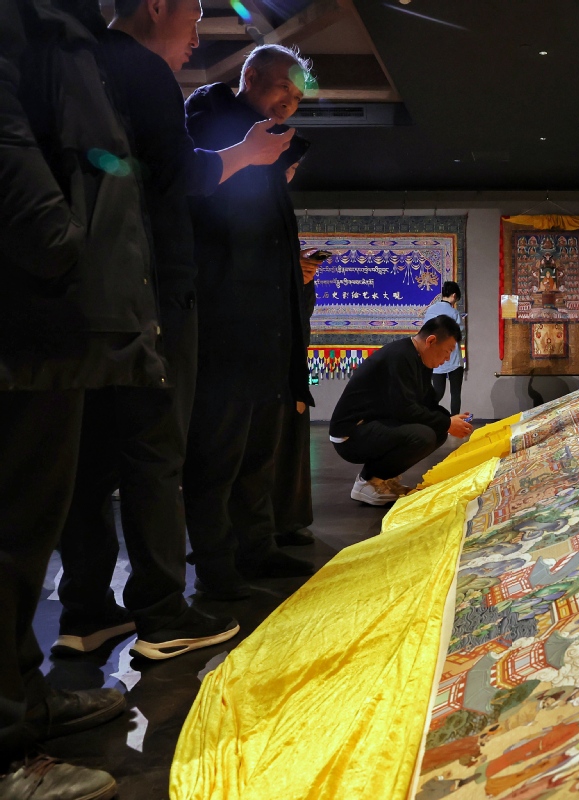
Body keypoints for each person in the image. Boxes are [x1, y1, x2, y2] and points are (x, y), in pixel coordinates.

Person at [52, 0, 298, 661]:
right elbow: (173, 174)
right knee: (155, 450)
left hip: (93, 291)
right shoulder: (144, 70)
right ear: (156, 4)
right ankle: (162, 612)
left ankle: (86, 610)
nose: (196, 34)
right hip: (155, 288)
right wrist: (244, 156)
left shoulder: (80, 61)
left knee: (91, 457)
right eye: (192, 15)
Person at [0, 0, 167, 793]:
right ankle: (6, 747)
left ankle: (23, 701)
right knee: (7, 534)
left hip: (52, 320)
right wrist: (63, 246)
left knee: (28, 532)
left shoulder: (58, 19)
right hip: (25, 309)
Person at [182, 44, 316, 600]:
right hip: (227, 321)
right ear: (252, 76)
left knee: (259, 449)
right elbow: (200, 208)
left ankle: (256, 548)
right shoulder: (211, 121)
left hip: (266, 323)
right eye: (283, 87)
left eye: (298, 97)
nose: (289, 102)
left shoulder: (268, 144)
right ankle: (217, 568)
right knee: (218, 452)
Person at [329, 316, 474, 505]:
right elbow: (404, 409)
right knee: (423, 436)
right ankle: (367, 482)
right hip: (350, 434)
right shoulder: (400, 356)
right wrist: (447, 422)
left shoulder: (419, 359)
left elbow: (426, 402)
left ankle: (383, 478)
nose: (447, 359)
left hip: (374, 424)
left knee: (438, 431)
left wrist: (450, 420)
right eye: (447, 351)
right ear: (431, 341)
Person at [272, 243, 322, 547]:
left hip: (292, 367)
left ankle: (289, 520)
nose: (310, 270)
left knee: (293, 445)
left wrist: (302, 284)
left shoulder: (303, 287)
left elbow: (303, 320)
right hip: (259, 367)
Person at [423, 280, 465, 416]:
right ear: (454, 295)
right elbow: (460, 334)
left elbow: (425, 331)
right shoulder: (454, 313)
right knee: (455, 394)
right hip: (453, 358)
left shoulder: (430, 310)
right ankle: (455, 421)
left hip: (435, 358)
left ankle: (428, 417)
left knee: (437, 393)